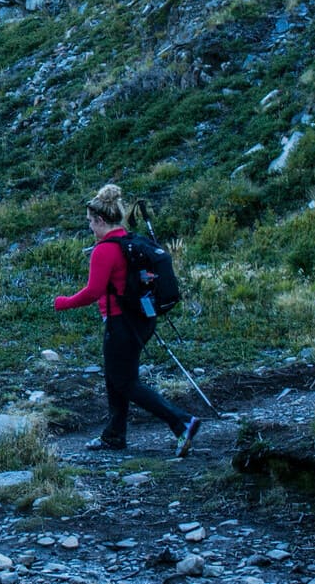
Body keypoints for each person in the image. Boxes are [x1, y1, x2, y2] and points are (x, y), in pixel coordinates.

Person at [53, 183, 201, 457]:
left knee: (125, 382)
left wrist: (63, 303)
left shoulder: (104, 250)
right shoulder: (130, 240)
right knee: (116, 377)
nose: (89, 227)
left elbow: (93, 292)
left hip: (121, 322)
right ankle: (114, 436)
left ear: (99, 220)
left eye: (89, 222)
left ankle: (181, 422)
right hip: (142, 319)